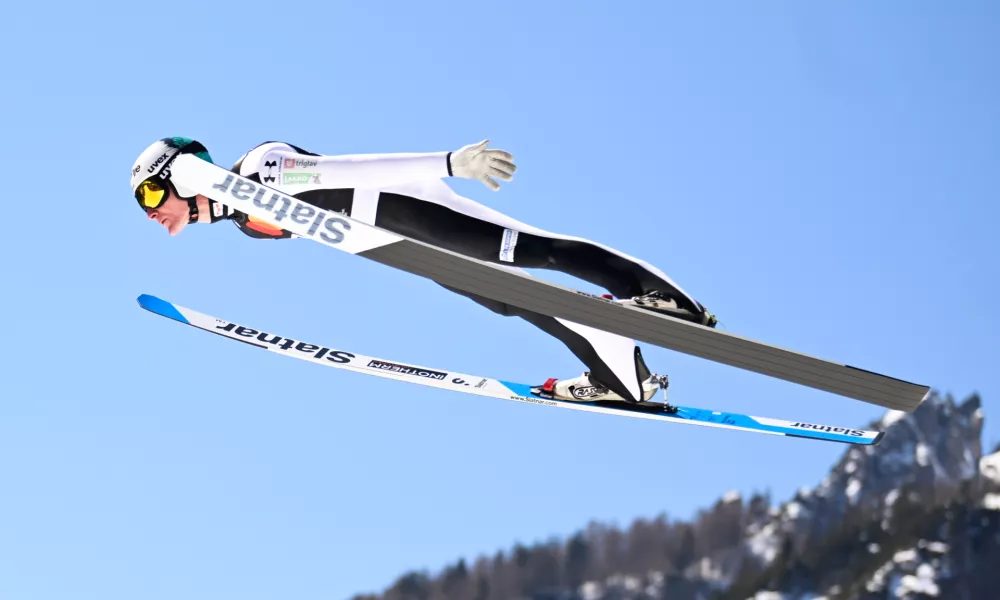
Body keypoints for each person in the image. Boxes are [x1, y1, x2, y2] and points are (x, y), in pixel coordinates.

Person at [130, 137, 717, 404]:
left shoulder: (262, 170)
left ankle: (667, 300)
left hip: (408, 205)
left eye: (153, 200)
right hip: (399, 239)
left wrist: (449, 162)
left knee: (528, 251)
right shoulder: (244, 219)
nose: (154, 216)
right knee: (513, 300)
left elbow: (349, 166)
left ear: (178, 175)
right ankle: (617, 373)